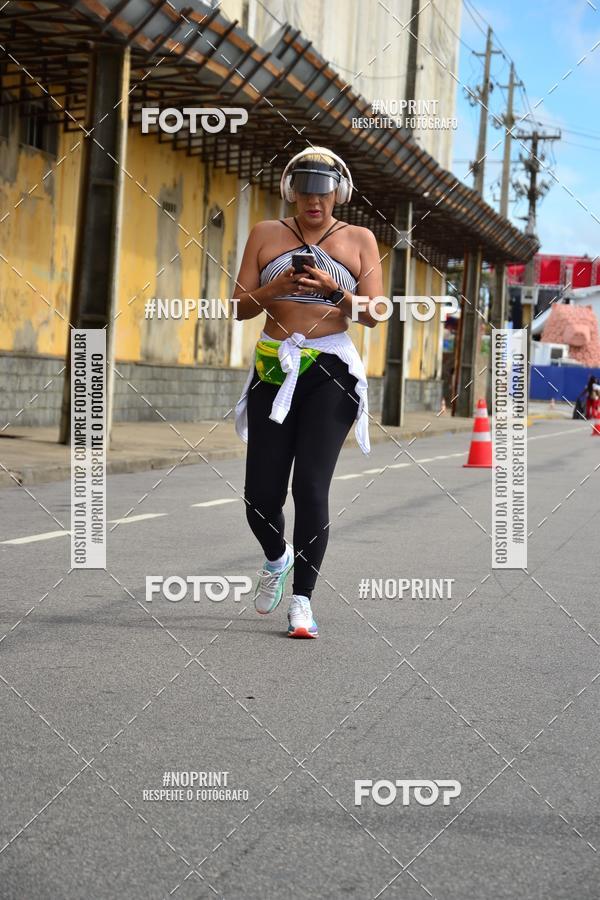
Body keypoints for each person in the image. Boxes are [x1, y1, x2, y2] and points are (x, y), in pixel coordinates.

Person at [232, 147, 383, 638]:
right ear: (290, 191)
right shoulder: (264, 233)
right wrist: (274, 290)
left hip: (331, 371)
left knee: (311, 488)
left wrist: (332, 290)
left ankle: (302, 602)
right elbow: (238, 307)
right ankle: (276, 558)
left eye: (323, 192)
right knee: (260, 497)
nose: (314, 202)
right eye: (305, 191)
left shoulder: (359, 239)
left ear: (339, 193)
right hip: (275, 365)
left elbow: (376, 313)